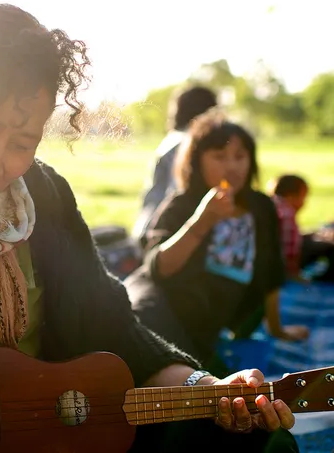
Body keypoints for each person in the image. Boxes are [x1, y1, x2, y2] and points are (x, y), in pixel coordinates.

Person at [0, 1, 298, 453]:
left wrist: (209, 386)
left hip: (51, 438)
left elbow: (112, 329)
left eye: (20, 142)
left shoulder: (42, 197)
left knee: (263, 444)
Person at [126, 111, 309, 372]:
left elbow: (271, 269)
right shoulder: (183, 204)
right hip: (168, 309)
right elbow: (158, 268)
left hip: (222, 314)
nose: (232, 166)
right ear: (196, 161)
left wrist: (277, 329)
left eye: (239, 156)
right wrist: (201, 222)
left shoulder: (260, 206)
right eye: (219, 157)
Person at [132, 85, 217, 245]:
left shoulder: (172, 139)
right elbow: (177, 190)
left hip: (147, 224)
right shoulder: (189, 143)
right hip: (165, 231)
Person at [269, 174, 334, 282]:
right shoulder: (287, 213)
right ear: (291, 196)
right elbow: (290, 251)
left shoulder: (272, 204)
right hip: (281, 266)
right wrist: (295, 275)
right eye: (303, 197)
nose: (304, 203)